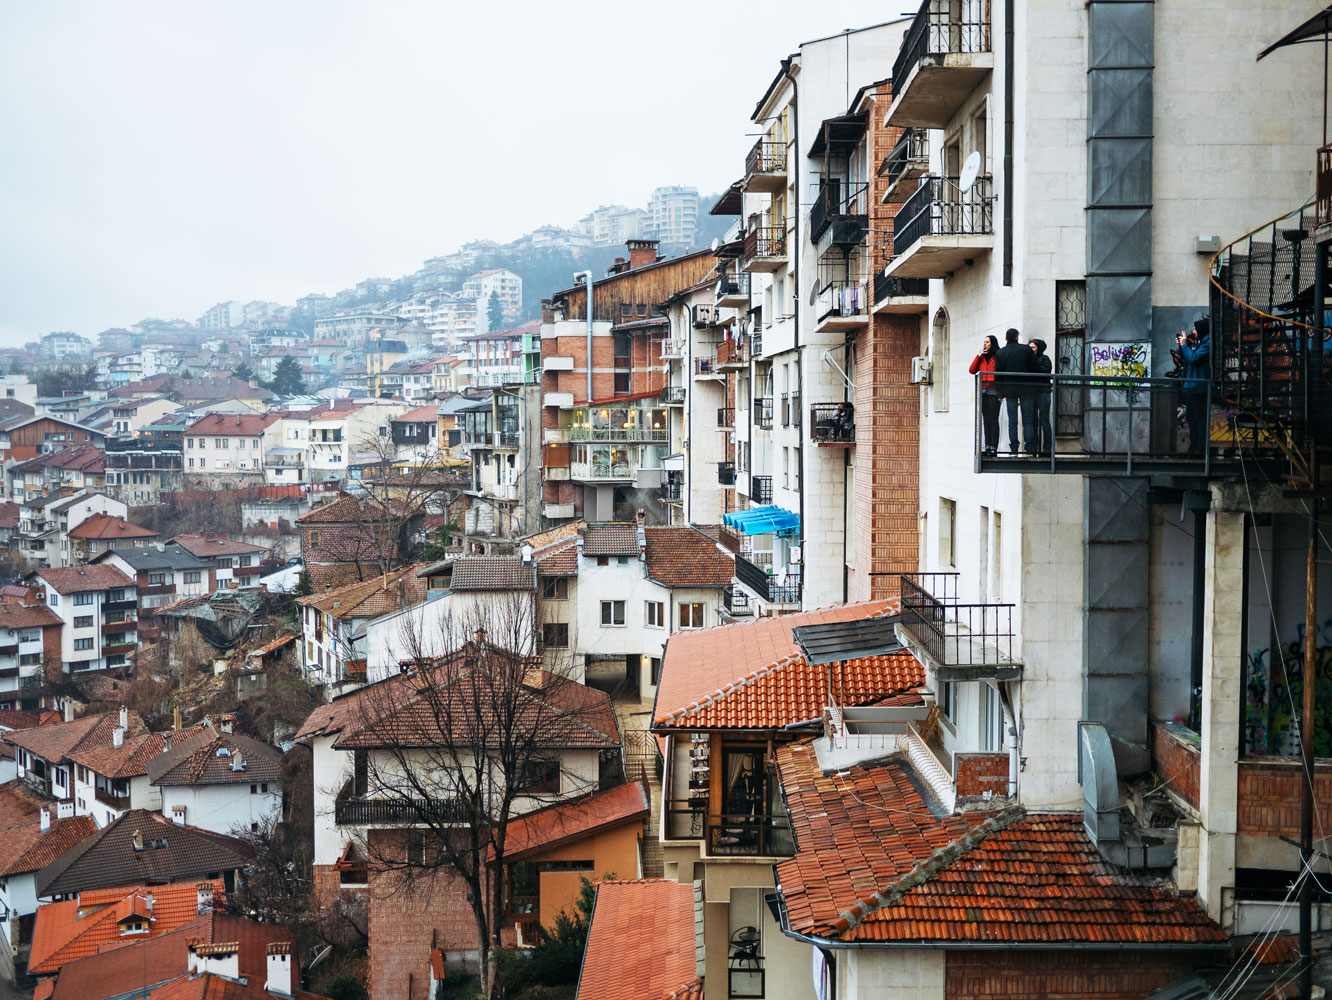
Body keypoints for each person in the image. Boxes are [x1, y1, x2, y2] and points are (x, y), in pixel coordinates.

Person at [994, 327, 1037, 454]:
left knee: (1012, 420)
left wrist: (1000, 393)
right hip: (1026, 388)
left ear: (1006, 338)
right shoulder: (1026, 350)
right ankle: (1029, 448)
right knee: (1028, 419)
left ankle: (1014, 449)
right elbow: (1034, 368)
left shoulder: (1001, 353)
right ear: (1017, 337)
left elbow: (998, 374)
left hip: (1009, 389)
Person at [1178, 318, 1211, 455]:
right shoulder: (1201, 343)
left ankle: (1199, 447)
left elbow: (1193, 358)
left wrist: (1185, 345)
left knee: (1199, 418)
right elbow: (1189, 359)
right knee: (1192, 418)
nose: (1193, 331)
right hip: (1191, 387)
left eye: (1196, 329)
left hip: (1198, 387)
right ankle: (1194, 447)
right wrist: (1182, 347)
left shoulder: (1207, 344)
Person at [969, 335, 1000, 455]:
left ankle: (994, 447)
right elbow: (972, 370)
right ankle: (987, 446)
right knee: (986, 420)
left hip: (994, 391)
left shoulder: (997, 356)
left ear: (992, 343)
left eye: (987, 342)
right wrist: (979, 355)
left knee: (993, 419)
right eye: (984, 342)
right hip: (983, 391)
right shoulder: (982, 358)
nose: (985, 344)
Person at [1029, 338, 1053, 456]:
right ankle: (1035, 449)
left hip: (1043, 392)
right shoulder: (1028, 360)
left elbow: (1045, 372)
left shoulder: (1044, 359)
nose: (1031, 350)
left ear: (1039, 348)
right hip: (1032, 393)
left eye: (1033, 347)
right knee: (1033, 421)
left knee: (1044, 421)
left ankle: (1047, 450)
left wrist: (1034, 366)